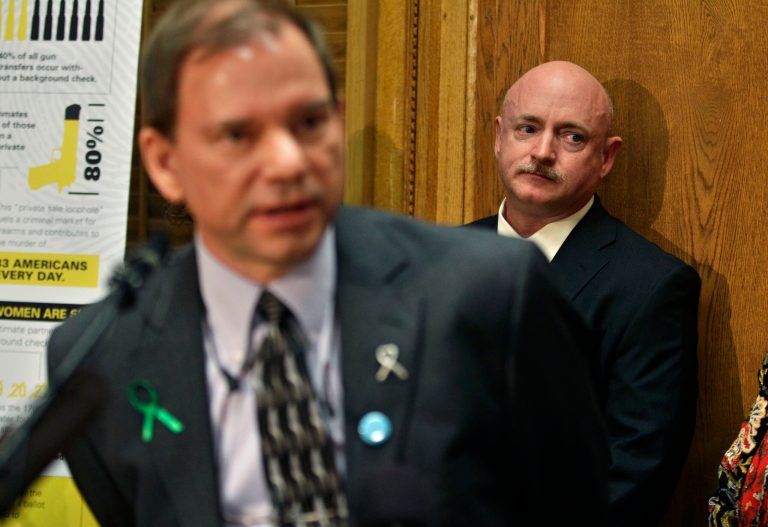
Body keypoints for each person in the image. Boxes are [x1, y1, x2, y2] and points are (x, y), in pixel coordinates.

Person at [46, 3, 608, 527]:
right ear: (166, 163)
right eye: (238, 135)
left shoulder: (489, 293)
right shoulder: (99, 358)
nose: (288, 162)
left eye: (309, 123)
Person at [468, 61, 701, 526]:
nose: (542, 152)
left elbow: (634, 478)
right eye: (527, 128)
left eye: (572, 137)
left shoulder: (651, 287)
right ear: (498, 136)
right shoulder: (437, 256)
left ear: (606, 157)